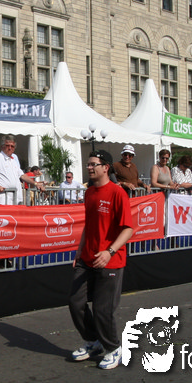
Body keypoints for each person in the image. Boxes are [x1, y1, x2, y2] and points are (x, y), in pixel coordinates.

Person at [68, 150, 135, 370]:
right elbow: (89, 225)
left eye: (93, 164)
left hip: (110, 260)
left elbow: (128, 229)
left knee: (102, 310)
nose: (89, 167)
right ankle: (93, 341)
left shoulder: (117, 193)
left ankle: (114, 348)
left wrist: (109, 251)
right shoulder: (89, 192)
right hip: (87, 258)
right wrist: (79, 251)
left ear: (106, 167)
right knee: (76, 302)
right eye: (88, 164)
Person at [0, 134, 45, 205]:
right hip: (1, 200)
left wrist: (36, 183)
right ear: (2, 146)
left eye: (12, 146)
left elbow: (22, 175)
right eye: (7, 145)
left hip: (14, 200)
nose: (10, 148)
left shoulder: (13, 160)